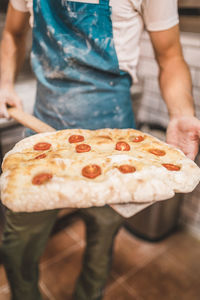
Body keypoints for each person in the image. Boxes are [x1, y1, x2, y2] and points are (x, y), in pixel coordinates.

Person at [0, 1, 200, 299]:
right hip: (43, 144)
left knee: (102, 241)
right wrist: (4, 82)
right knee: (17, 246)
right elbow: (13, 33)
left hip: (115, 152)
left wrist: (181, 112)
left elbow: (170, 56)